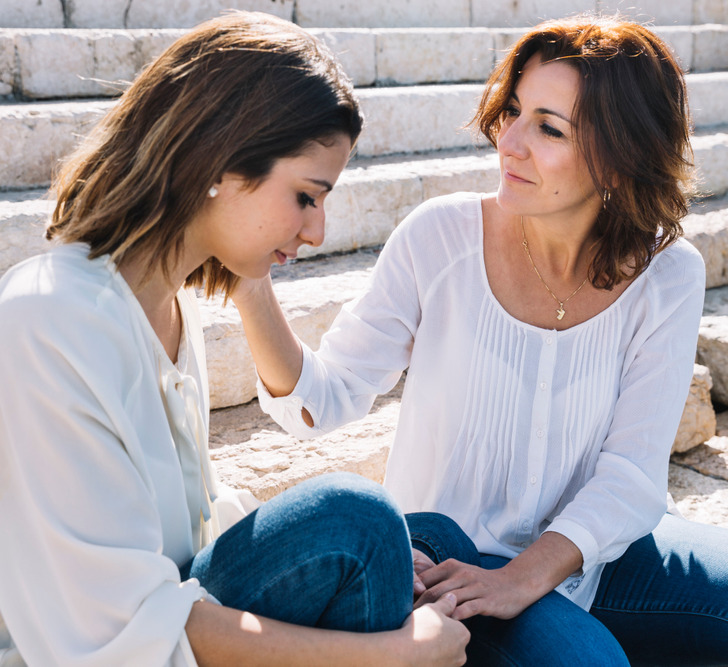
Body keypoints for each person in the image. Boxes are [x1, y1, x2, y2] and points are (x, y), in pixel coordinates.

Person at [233, 14, 728, 666]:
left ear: (620, 157)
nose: (509, 141)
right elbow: (321, 402)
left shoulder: (668, 272)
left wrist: (527, 576)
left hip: (594, 551)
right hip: (453, 558)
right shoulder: (439, 238)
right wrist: (250, 283)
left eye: (549, 128)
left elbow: (632, 475)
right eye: (513, 110)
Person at [0, 11, 471, 667]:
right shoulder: (50, 319)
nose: (317, 231)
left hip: (179, 604)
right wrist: (392, 653)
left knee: (426, 538)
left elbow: (195, 525)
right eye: (306, 196)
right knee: (358, 518)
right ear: (219, 162)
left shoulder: (166, 305)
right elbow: (124, 629)